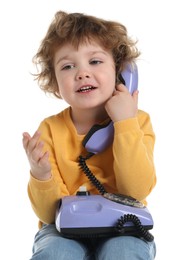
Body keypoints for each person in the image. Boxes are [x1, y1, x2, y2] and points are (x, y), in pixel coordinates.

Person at [22, 10, 157, 260]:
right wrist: (41, 175)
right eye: (68, 66)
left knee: (124, 253)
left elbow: (136, 191)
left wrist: (124, 123)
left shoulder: (137, 121)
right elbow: (49, 214)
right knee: (56, 253)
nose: (82, 73)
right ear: (54, 83)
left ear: (120, 73)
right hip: (63, 231)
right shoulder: (50, 129)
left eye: (95, 61)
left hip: (124, 226)